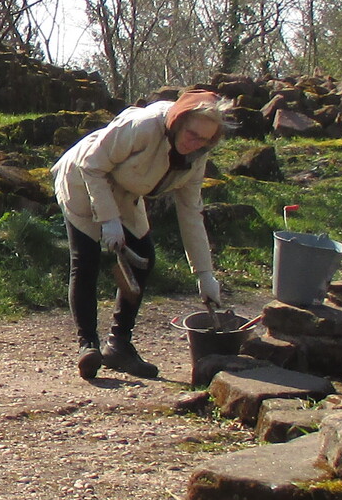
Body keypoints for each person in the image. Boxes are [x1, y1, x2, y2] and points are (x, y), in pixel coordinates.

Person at [51, 90, 233, 381]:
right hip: (83, 178)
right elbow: (92, 164)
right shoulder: (143, 125)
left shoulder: (197, 156)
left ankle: (119, 344)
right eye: (191, 134)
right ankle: (88, 345)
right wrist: (108, 219)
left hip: (125, 190)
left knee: (144, 258)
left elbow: (190, 211)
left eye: (204, 139)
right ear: (178, 122)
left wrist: (204, 274)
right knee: (86, 259)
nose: (194, 143)